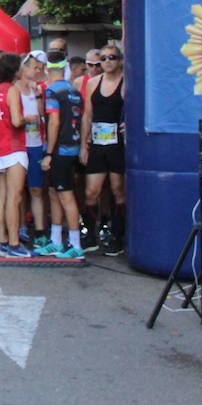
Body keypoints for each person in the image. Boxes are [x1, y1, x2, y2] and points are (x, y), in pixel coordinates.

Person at [80, 45, 126, 256]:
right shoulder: (92, 83)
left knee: (118, 189)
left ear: (120, 61)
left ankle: (117, 235)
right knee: (91, 191)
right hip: (97, 142)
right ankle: (90, 233)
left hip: (117, 143)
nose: (107, 62)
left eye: (112, 58)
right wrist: (84, 144)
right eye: (103, 59)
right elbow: (87, 115)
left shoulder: (126, 83)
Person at [38, 52, 85, 258]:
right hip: (71, 146)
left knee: (66, 196)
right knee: (54, 194)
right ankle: (56, 240)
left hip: (60, 149)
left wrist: (49, 152)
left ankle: (76, 245)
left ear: (47, 70)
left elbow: (54, 121)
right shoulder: (74, 89)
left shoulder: (52, 91)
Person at [0, 52, 31, 257]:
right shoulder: (12, 90)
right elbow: (16, 121)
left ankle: (3, 242)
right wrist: (28, 118)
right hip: (14, 147)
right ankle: (14, 244)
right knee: (15, 197)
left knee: (3, 197)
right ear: (15, 70)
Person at [21, 50, 49, 250]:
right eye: (33, 66)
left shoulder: (40, 89)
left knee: (37, 189)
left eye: (39, 67)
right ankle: (20, 226)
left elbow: (44, 116)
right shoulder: (13, 89)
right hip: (17, 146)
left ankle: (40, 231)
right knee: (18, 190)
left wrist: (38, 97)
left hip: (36, 144)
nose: (37, 70)